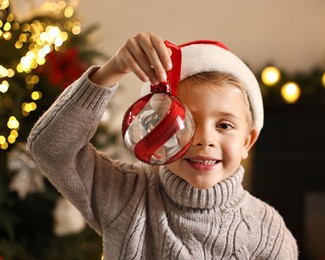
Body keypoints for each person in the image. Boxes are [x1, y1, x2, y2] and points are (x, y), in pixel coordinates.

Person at [27, 32, 298, 259]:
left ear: (247, 141)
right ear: (157, 129)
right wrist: (112, 70)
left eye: (224, 125)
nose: (204, 139)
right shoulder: (125, 194)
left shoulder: (268, 233)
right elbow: (50, 147)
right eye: (185, 121)